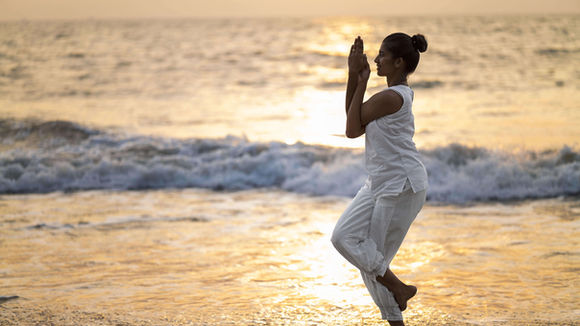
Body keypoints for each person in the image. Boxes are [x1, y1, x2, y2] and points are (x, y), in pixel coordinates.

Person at [331, 33, 429, 326]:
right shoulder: (390, 95)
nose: (376, 59)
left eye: (382, 55)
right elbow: (354, 121)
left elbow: (351, 128)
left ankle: (397, 296)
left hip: (402, 186)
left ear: (399, 62)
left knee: (372, 262)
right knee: (344, 238)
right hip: (378, 183)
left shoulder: (391, 97)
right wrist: (353, 76)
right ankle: (399, 287)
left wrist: (359, 81)